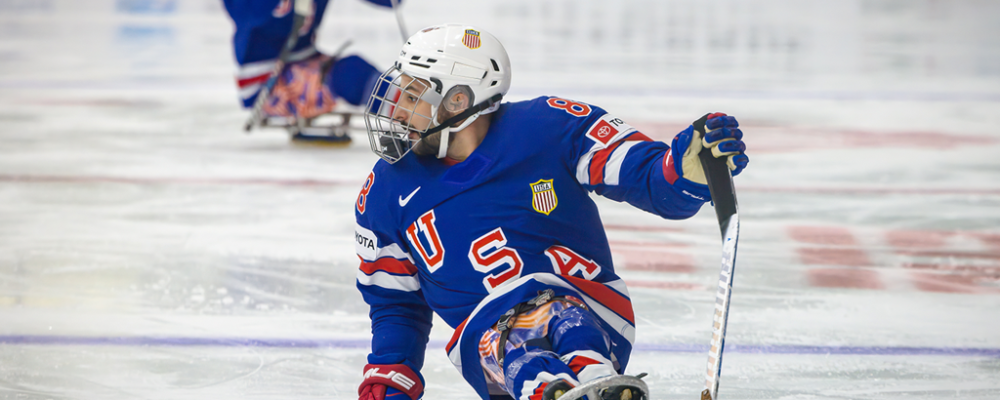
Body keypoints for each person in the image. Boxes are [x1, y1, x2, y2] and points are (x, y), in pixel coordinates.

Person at [354, 24, 749, 400]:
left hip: (590, 307)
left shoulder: (551, 127)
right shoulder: (385, 190)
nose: (396, 111)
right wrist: (389, 380)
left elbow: (652, 182)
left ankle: (591, 380)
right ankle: (575, 387)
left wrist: (686, 171)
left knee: (560, 316)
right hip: (490, 345)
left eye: (411, 97)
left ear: (458, 100)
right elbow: (396, 304)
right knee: (512, 337)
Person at [222, 0, 394, 141]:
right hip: (266, 80)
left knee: (354, 72)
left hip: (307, 59)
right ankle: (409, 113)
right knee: (353, 76)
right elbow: (244, 12)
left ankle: (412, 107)